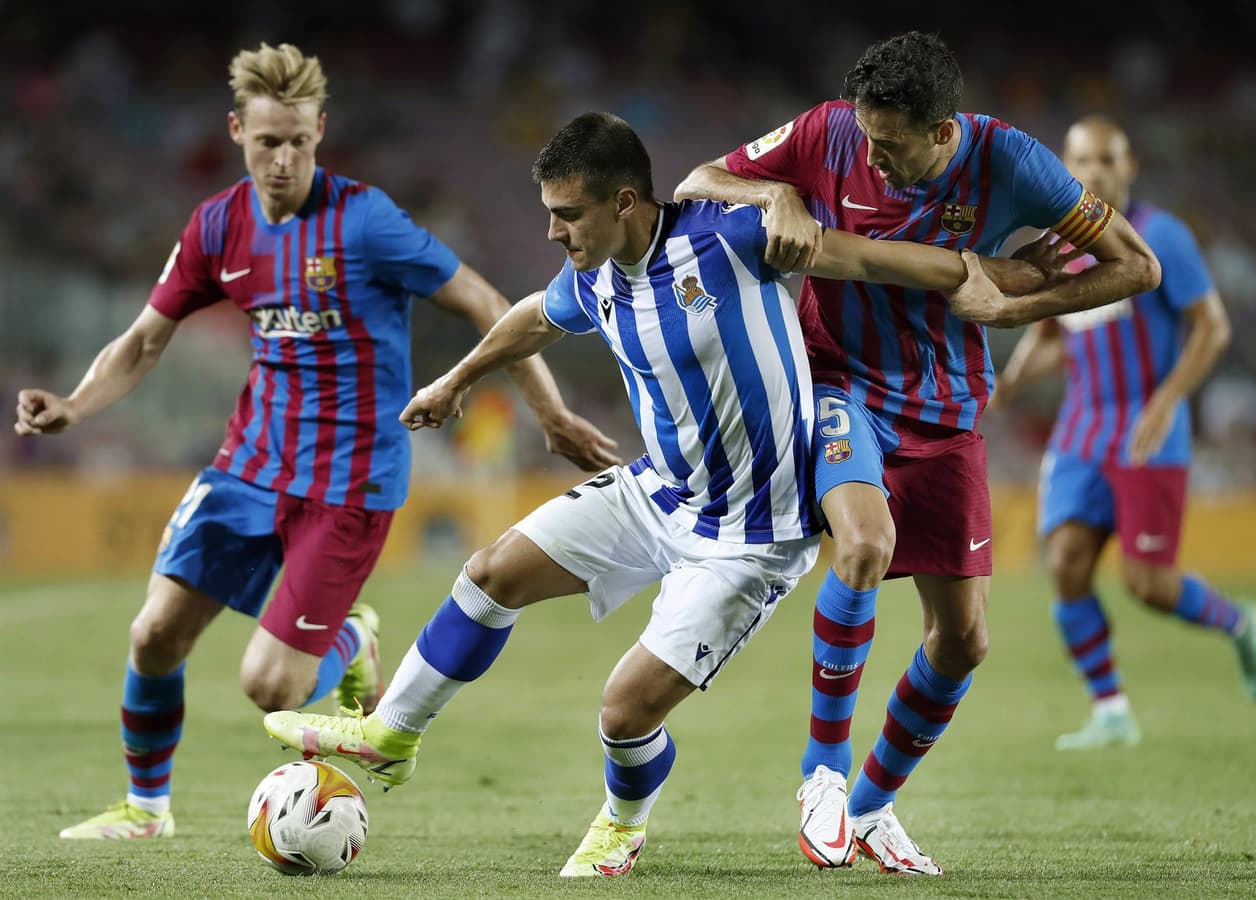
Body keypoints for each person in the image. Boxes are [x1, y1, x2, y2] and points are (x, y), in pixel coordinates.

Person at [261, 111, 1057, 878]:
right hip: (660, 494)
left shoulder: (734, 240)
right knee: (491, 573)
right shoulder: (593, 274)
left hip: (751, 538)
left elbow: (874, 260)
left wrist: (999, 279)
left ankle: (622, 823)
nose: (553, 233)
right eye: (549, 215)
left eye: (567, 215)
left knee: (623, 714)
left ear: (626, 202)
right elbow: (534, 317)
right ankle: (392, 733)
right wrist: (456, 379)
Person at [13, 43, 620, 841]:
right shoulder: (217, 226)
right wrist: (75, 406)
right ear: (238, 132)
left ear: (320, 131)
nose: (285, 158)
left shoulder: (364, 219)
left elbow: (484, 300)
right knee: (153, 634)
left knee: (269, 688)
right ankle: (146, 809)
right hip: (250, 465)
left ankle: (354, 638)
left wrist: (549, 415)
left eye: (300, 140)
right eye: (269, 142)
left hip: (349, 482)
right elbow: (140, 342)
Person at [674, 31, 1162, 874]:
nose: (870, 157)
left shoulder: (1013, 162)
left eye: (890, 145)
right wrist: (774, 199)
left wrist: (1014, 310)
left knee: (964, 641)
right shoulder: (827, 131)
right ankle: (821, 774)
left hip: (945, 407)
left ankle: (869, 808)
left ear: (944, 133)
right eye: (865, 138)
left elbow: (1138, 266)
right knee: (863, 543)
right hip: (836, 385)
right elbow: (695, 183)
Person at [995, 116, 1256, 749]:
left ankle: (1240, 623)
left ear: (1129, 167)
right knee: (1065, 562)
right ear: (1064, 169)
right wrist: (1009, 384)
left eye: (1106, 160)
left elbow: (1212, 327)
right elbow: (1050, 333)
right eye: (1081, 161)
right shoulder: (1057, 244)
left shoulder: (1161, 236)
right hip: (1080, 430)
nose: (1094, 172)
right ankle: (1111, 709)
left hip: (1148, 428)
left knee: (1147, 583)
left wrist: (1168, 401)